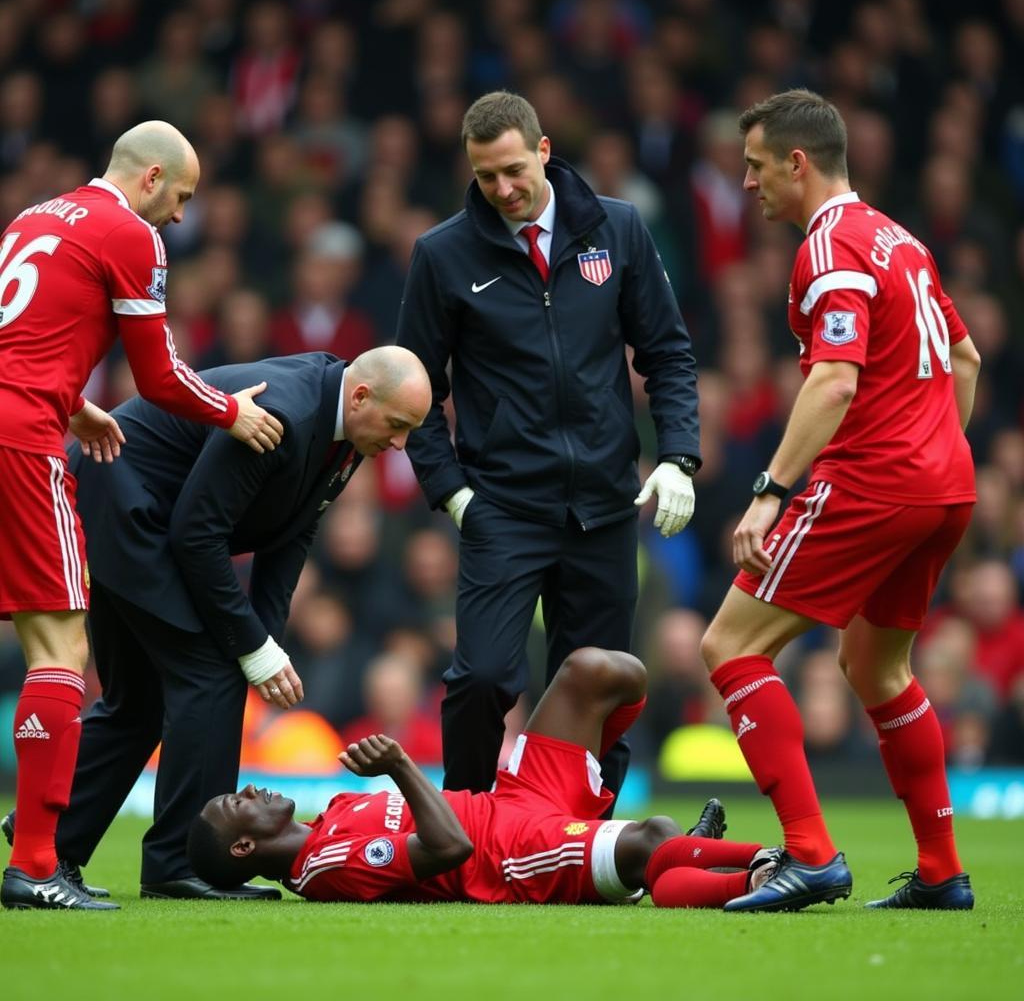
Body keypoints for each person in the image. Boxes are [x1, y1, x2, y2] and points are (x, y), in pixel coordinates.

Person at [2, 347, 431, 908]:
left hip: (143, 516)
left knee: (140, 701)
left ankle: (49, 839)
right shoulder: (287, 413)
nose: (399, 444)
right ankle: (179, 862)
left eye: (409, 432)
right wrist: (249, 648)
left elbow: (291, 534)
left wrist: (267, 644)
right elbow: (196, 534)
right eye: (397, 426)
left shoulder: (348, 432)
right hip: (126, 512)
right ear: (360, 397)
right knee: (212, 674)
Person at [699, 89, 980, 912]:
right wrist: (937, 455)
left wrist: (769, 494)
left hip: (872, 480)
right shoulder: (900, 239)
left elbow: (832, 379)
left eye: (755, 167)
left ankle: (811, 854)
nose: (747, 184)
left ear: (797, 162)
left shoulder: (829, 246)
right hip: (945, 486)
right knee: (876, 665)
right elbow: (962, 359)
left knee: (729, 646)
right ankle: (940, 873)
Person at [0, 120, 285, 912]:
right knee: (60, 646)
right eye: (182, 196)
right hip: (19, 444)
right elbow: (159, 376)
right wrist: (230, 411)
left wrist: (79, 406)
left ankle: (41, 852)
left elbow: (19, 339)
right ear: (151, 177)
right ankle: (34, 866)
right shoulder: (131, 234)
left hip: (22, 416)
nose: (182, 217)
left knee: (50, 644)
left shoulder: (34, 217)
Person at [395, 91, 701, 804]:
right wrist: (453, 492)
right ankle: (468, 821)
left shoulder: (618, 229)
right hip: (501, 506)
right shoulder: (442, 254)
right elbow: (411, 391)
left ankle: (582, 836)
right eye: (484, 177)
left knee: (599, 682)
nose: (501, 190)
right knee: (482, 679)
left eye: (511, 171)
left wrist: (679, 455)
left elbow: (669, 354)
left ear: (543, 150)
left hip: (605, 505)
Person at [189, 647, 781, 909]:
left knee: (598, 671)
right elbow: (452, 847)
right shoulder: (325, 868)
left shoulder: (337, 812)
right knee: (654, 834)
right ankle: (762, 866)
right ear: (244, 846)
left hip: (518, 798)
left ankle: (681, 862)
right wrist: (398, 765)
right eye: (233, 804)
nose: (247, 789)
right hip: (513, 853)